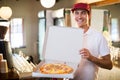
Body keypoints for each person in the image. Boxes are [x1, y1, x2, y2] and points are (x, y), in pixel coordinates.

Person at [71, 3, 113, 80]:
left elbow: (109, 65)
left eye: (83, 13)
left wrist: (91, 58)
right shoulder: (69, 34)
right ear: (73, 15)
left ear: (89, 16)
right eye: (77, 13)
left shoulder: (98, 36)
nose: (79, 16)